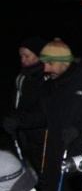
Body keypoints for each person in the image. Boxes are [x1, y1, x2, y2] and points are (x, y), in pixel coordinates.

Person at [3, 39, 82, 191]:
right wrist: (19, 120)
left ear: (64, 62)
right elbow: (43, 114)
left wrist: (79, 129)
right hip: (56, 147)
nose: (46, 69)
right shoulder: (52, 84)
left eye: (50, 64)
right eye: (45, 64)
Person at [11, 37, 47, 177]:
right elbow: (17, 101)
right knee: (33, 164)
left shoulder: (46, 76)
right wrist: (14, 118)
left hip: (43, 132)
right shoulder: (22, 76)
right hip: (25, 130)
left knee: (46, 168)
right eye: (21, 56)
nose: (23, 60)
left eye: (27, 56)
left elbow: (45, 109)